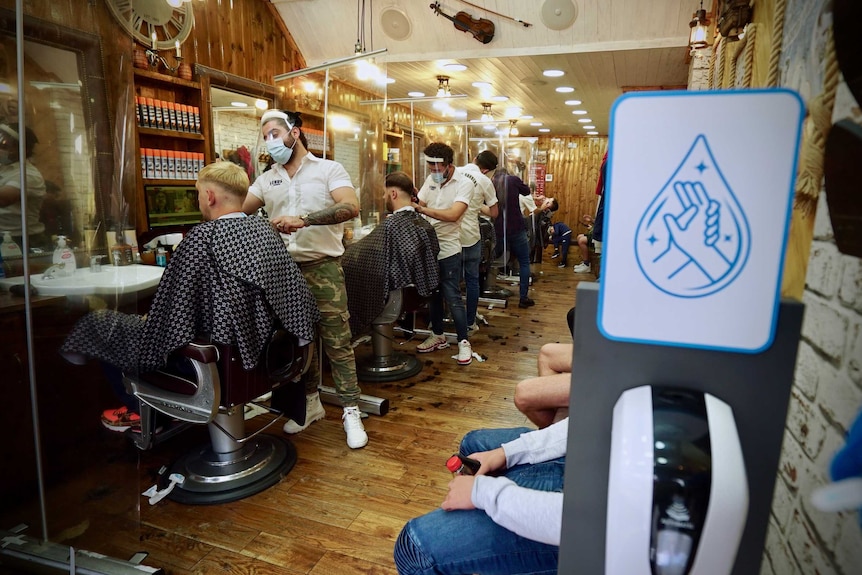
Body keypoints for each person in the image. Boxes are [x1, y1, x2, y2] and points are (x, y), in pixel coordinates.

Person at [60, 161, 319, 432]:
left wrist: (149, 320)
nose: (199, 200)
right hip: (263, 357)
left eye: (197, 193)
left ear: (209, 196)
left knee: (99, 324)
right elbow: (298, 303)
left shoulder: (201, 239)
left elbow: (171, 317)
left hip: (212, 364)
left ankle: (145, 413)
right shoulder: (265, 231)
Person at [243, 109, 369, 449]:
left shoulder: (328, 169)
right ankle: (310, 403)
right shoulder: (266, 179)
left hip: (323, 268)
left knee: (337, 341)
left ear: (294, 133)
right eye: (265, 135)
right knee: (299, 341)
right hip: (283, 272)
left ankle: (351, 409)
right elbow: (240, 213)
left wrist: (306, 220)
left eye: (275, 133)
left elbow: (350, 207)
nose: (270, 140)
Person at [394, 418, 568, 575]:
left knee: (415, 550)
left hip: (581, 533)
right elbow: (584, 425)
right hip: (582, 467)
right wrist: (505, 453)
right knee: (472, 444)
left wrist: (482, 493)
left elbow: (581, 521)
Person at [342, 171, 440, 337]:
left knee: (349, 276)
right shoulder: (421, 222)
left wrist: (344, 257)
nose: (382, 197)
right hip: (416, 292)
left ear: (393, 193)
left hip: (395, 295)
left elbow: (356, 258)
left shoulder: (392, 225)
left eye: (384, 193)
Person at [415, 142, 474, 365]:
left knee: (452, 296)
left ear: (449, 165)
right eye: (430, 169)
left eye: (437, 169)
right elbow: (419, 202)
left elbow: (453, 215)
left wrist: (423, 210)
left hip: (449, 249)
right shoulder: (430, 180)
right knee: (433, 295)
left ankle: (463, 342)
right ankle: (438, 334)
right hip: (429, 248)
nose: (434, 173)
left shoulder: (465, 184)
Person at [459, 150, 499, 332]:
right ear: (487, 170)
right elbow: (494, 213)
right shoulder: (485, 181)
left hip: (449, 236)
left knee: (449, 281)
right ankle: (469, 322)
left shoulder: (455, 172)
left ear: (474, 159)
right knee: (472, 280)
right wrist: (475, 207)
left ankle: (446, 318)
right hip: (470, 236)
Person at [0, 122, 47, 249]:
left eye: (4, 145)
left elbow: (3, 199)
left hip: (21, 241)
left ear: (23, 149)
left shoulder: (29, 174)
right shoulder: (4, 168)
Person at [492, 167, 534, 308]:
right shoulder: (513, 180)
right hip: (516, 226)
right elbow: (527, 191)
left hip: (498, 228)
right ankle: (523, 298)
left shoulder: (491, 182)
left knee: (491, 260)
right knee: (524, 262)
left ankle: (486, 288)